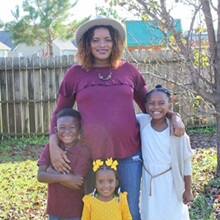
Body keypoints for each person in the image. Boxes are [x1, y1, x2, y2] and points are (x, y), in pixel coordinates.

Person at [48, 16, 185, 220]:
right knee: (93, 209)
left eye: (107, 39)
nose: (102, 45)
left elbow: (151, 106)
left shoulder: (128, 71)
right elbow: (60, 113)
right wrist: (53, 144)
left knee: (130, 209)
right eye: (96, 40)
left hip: (128, 154)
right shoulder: (75, 74)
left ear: (115, 43)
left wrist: (174, 117)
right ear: (87, 43)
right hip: (89, 155)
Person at [136, 85, 193, 220]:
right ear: (145, 105)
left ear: (169, 104)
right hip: (149, 181)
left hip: (172, 181)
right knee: (151, 214)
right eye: (152, 103)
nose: (156, 107)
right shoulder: (142, 122)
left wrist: (188, 189)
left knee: (174, 213)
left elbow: (186, 162)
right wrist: (174, 115)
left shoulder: (177, 131)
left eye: (161, 103)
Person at [37, 108, 91, 220]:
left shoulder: (83, 151)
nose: (67, 131)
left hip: (75, 211)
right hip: (54, 209)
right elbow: (40, 176)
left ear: (79, 130)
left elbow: (77, 182)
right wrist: (66, 177)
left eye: (72, 127)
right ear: (56, 130)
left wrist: (51, 172)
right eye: (62, 127)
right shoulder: (50, 148)